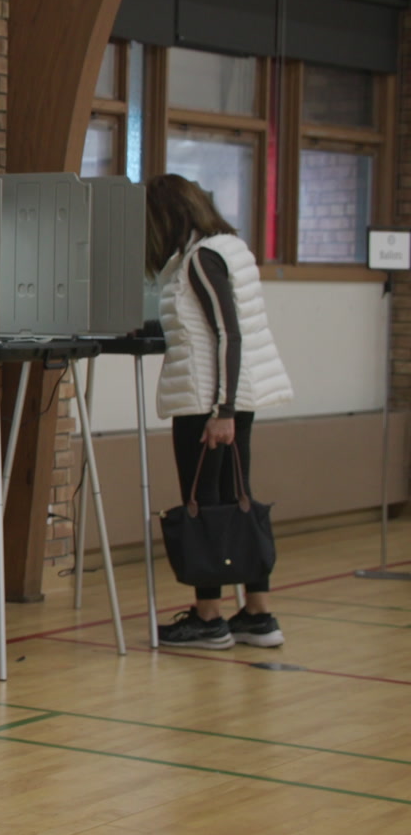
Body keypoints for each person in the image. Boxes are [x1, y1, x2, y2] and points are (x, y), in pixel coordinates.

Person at [146, 173, 293, 649]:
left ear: (168, 217)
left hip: (208, 402)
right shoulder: (229, 248)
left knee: (202, 506)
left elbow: (229, 333)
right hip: (230, 398)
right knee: (236, 500)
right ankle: (258, 614)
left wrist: (221, 410)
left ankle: (209, 618)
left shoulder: (201, 258)